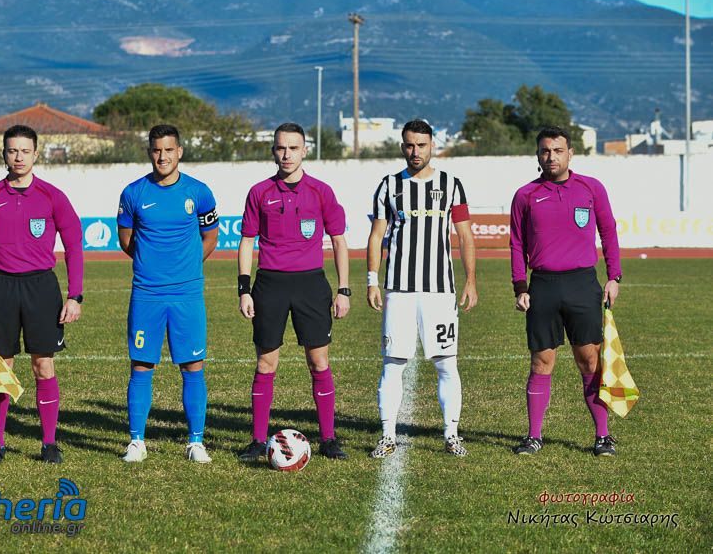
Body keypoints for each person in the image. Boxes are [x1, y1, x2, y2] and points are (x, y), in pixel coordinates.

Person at [0, 124, 84, 464]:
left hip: (41, 288)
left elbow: (74, 245)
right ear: (4, 154)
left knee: (43, 365)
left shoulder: (52, 196)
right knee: (1, 367)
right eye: (12, 150)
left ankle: (49, 443)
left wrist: (75, 295)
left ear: (36, 154)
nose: (19, 157)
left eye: (25, 151)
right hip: (0, 288)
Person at [237, 122, 351, 461]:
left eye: (293, 148)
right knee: (266, 362)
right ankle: (258, 440)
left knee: (319, 361)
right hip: (270, 285)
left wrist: (344, 289)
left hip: (311, 284)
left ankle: (328, 438)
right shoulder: (259, 192)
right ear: (273, 151)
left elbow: (339, 241)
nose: (286, 154)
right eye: (280, 148)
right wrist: (244, 289)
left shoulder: (321, 191)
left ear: (305, 151)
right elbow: (247, 241)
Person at [366, 119, 477, 459]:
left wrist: (470, 280)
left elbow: (465, 235)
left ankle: (451, 434)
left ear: (432, 146)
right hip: (398, 290)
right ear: (403, 146)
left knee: (446, 364)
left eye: (422, 145)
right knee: (393, 364)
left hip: (440, 291)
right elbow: (377, 236)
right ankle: (388, 435)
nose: (415, 151)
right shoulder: (388, 186)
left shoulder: (452, 185)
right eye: (410, 145)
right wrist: (372, 280)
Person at [509, 126, 622, 457]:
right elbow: (516, 244)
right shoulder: (525, 195)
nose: (551, 157)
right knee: (541, 362)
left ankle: (603, 436)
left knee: (589, 361)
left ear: (570, 153)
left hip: (582, 284)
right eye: (545, 151)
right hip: (543, 286)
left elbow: (609, 231)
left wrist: (614, 276)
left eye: (558, 150)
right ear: (537, 155)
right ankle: (534, 436)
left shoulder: (591, 188)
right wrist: (520, 286)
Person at [117, 124, 219, 464]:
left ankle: (196, 442)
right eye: (157, 150)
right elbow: (126, 240)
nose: (163, 156)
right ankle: (136, 442)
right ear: (150, 152)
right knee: (141, 365)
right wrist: (153, 265)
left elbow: (210, 237)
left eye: (169, 150)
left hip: (187, 294)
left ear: (180, 152)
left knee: (192, 365)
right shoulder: (133, 193)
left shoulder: (199, 192)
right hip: (147, 293)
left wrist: (185, 268)